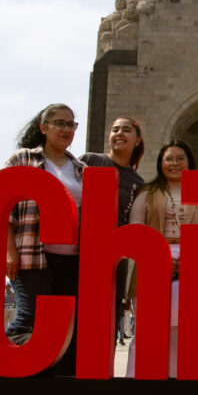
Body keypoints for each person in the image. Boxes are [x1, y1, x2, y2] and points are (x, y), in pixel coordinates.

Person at [126, 140, 198, 377]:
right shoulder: (147, 192)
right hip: (155, 259)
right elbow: (136, 226)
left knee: (187, 332)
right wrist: (160, 258)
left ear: (189, 162)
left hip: (195, 261)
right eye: (169, 159)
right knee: (149, 330)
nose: (174, 163)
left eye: (180, 158)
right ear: (160, 163)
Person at [5, 103, 85, 375]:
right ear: (43, 127)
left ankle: (54, 380)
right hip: (32, 254)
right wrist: (10, 252)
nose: (65, 129)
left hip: (73, 258)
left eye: (70, 124)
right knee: (29, 318)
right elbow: (4, 210)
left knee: (66, 325)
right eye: (59, 123)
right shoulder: (24, 159)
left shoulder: (81, 170)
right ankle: (5, 367)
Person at [80, 116, 146, 348]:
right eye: (115, 129)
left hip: (114, 262)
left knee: (103, 329)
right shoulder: (89, 161)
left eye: (126, 130)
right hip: (82, 255)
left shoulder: (138, 182)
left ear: (137, 140)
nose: (119, 133)